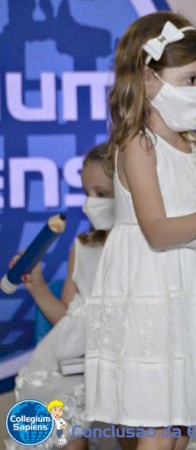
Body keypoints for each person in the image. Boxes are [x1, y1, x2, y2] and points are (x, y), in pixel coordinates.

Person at [83, 12, 196, 450]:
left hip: (188, 281)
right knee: (158, 424)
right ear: (148, 77)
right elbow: (159, 231)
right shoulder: (137, 142)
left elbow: (194, 224)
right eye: (190, 79)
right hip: (153, 283)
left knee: (180, 427)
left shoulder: (187, 143)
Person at [8, 143, 113, 450]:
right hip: (74, 364)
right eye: (87, 193)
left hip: (122, 362)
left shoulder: (143, 250)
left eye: (102, 193)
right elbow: (68, 318)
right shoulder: (82, 247)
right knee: (67, 427)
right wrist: (38, 285)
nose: (91, 202)